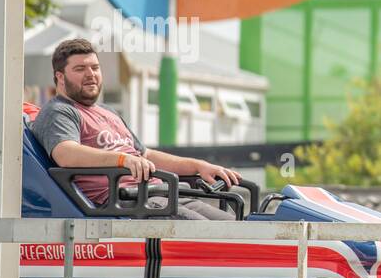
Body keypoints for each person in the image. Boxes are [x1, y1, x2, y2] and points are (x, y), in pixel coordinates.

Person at [31, 39, 241, 220]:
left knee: (239, 229)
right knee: (213, 235)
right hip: (124, 204)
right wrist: (123, 160)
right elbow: (67, 154)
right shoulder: (59, 111)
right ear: (59, 77)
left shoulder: (107, 111)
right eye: (80, 69)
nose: (91, 75)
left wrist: (198, 166)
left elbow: (145, 155)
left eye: (95, 68)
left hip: (161, 194)